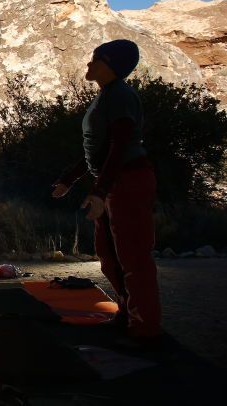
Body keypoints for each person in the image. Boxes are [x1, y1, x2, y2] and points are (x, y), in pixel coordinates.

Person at [52, 39, 161, 344]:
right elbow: (96, 150)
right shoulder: (106, 96)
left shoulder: (121, 97)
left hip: (128, 180)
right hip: (113, 181)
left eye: (95, 59)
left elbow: (120, 144)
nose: (89, 64)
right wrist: (69, 179)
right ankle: (128, 314)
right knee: (108, 254)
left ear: (110, 64)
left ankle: (146, 330)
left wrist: (101, 191)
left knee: (133, 256)